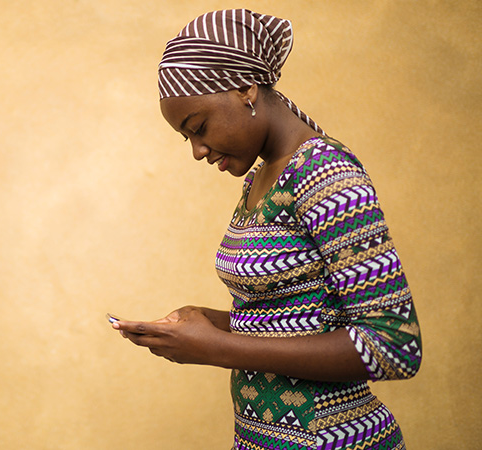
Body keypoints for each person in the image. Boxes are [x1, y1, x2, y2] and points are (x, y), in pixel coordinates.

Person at [111, 9, 422, 450]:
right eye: (188, 138)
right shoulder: (261, 178)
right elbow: (299, 319)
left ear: (246, 87)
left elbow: (393, 344)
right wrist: (209, 324)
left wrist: (217, 349)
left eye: (198, 127)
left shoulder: (324, 174)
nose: (198, 151)